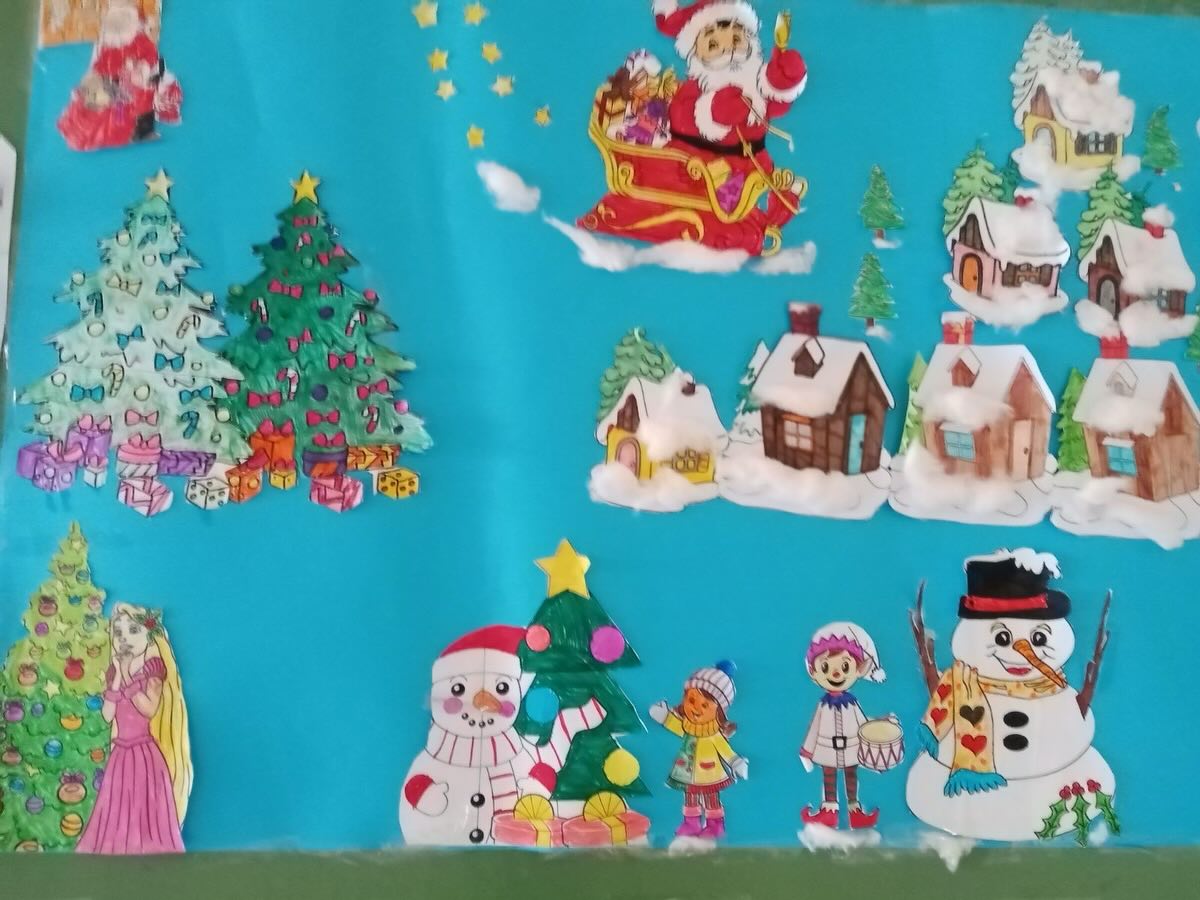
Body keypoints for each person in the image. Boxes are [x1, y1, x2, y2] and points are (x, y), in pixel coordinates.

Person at [76, 604, 191, 854]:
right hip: (121, 754)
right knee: (116, 806)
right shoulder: (114, 672)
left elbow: (148, 709)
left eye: (133, 630)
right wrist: (118, 674)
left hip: (144, 754)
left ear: (149, 636)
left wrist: (128, 674)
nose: (124, 638)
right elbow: (107, 715)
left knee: (143, 808)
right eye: (118, 632)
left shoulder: (153, 669)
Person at [58, 0, 181, 152]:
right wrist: (91, 79)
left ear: (132, 31)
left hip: (132, 87)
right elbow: (99, 65)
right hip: (115, 85)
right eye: (115, 41)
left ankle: (127, 130)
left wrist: (141, 69)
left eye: (121, 40)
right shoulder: (110, 47)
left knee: (121, 112)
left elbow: (151, 57)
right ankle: (98, 127)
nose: (118, 44)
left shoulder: (141, 42)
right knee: (95, 106)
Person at [799, 622, 887, 830]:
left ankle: (855, 812)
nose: (836, 674)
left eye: (845, 666)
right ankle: (829, 812)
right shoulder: (823, 705)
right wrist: (807, 751)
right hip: (827, 748)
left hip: (851, 748)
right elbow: (814, 728)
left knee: (851, 777)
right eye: (826, 667)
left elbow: (863, 726)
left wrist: (876, 737)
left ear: (859, 669)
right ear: (813, 672)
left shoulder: (852, 704)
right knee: (829, 777)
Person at [649, 660, 748, 841]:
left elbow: (725, 750)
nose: (695, 708)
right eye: (692, 700)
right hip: (687, 771)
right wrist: (664, 717)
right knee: (690, 797)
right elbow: (676, 726)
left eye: (705, 705)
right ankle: (691, 823)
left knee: (711, 799)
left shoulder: (714, 734)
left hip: (710, 773)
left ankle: (714, 825)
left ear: (719, 712)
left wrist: (736, 762)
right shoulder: (688, 727)